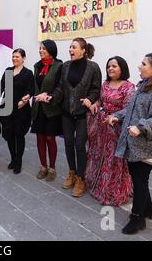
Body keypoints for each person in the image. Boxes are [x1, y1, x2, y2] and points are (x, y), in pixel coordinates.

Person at [107, 53, 152, 235]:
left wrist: (141, 127)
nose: (139, 66)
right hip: (135, 142)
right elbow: (132, 109)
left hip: (149, 144)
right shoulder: (145, 85)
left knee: (139, 179)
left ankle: (137, 218)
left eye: (144, 64)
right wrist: (118, 116)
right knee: (138, 177)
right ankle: (148, 209)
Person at [37, 37, 102, 198]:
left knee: (80, 145)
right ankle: (72, 173)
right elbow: (60, 88)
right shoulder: (65, 66)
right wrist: (52, 97)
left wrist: (90, 99)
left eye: (73, 47)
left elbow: (96, 88)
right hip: (66, 113)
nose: (70, 50)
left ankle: (81, 178)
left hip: (82, 114)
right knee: (68, 143)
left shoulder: (93, 67)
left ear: (83, 50)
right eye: (70, 47)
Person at [86, 57, 135, 206]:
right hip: (102, 127)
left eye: (114, 66)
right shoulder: (105, 84)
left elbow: (129, 109)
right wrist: (95, 104)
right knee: (99, 154)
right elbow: (101, 101)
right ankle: (99, 185)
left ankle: (113, 190)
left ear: (122, 68)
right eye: (108, 66)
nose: (110, 69)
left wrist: (115, 117)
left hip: (117, 129)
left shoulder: (129, 87)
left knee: (114, 159)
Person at [31, 40, 63, 181]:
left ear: (51, 50)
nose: (40, 50)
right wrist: (30, 96)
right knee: (40, 137)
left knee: (50, 138)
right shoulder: (37, 66)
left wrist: (49, 96)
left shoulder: (59, 66)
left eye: (43, 48)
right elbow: (35, 87)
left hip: (52, 108)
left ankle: (52, 168)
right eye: (40, 48)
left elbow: (60, 87)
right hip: (38, 108)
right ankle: (43, 166)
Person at [0, 48, 34, 174]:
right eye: (13, 56)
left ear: (23, 59)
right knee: (9, 135)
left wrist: (26, 98)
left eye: (17, 57)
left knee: (19, 136)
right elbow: (1, 86)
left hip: (21, 110)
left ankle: (18, 161)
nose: (14, 59)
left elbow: (31, 90)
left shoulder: (28, 73)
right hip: (7, 109)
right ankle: (13, 158)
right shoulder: (8, 71)